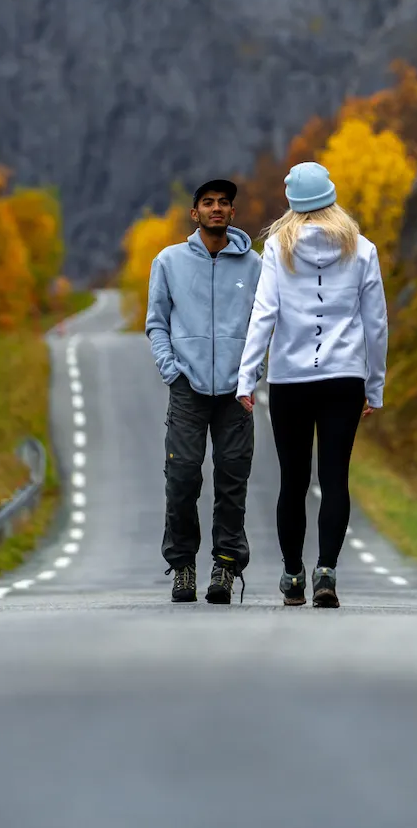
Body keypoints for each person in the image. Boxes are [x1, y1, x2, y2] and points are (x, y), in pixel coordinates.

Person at [236, 161, 388, 609]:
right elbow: (375, 324)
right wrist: (374, 386)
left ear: (292, 204)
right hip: (344, 377)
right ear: (331, 196)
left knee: (293, 480)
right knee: (335, 477)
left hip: (291, 379)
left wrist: (248, 377)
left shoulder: (277, 250)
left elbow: (263, 314)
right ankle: (326, 571)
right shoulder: (362, 250)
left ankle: (292, 575)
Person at [146, 179, 262, 604]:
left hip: (236, 393)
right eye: (208, 203)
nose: (217, 208)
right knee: (181, 478)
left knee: (232, 480)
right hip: (187, 390)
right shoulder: (169, 261)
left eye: (224, 203)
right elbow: (156, 321)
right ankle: (182, 567)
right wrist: (171, 370)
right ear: (194, 214)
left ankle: (226, 568)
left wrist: (253, 373)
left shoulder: (255, 266)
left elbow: (262, 325)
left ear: (233, 214)